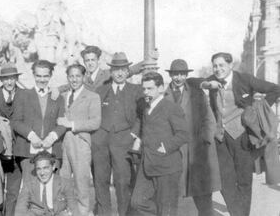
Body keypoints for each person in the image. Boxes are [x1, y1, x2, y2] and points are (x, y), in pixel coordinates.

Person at [200, 52, 280, 216]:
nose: (218, 69)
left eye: (222, 65)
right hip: (220, 137)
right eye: (215, 65)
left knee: (243, 180)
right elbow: (196, 83)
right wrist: (207, 85)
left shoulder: (244, 79)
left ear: (231, 65)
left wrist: (258, 110)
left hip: (242, 136)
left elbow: (275, 89)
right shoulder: (213, 81)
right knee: (224, 180)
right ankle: (237, 211)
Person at [164, 59, 220, 216]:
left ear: (186, 75)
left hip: (197, 150)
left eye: (182, 74)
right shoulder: (164, 94)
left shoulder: (197, 92)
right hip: (174, 150)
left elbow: (209, 119)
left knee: (202, 193)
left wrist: (206, 140)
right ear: (171, 75)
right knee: (172, 194)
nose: (179, 78)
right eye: (175, 74)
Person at [129, 72, 190, 216]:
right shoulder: (145, 107)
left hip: (167, 166)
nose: (145, 92)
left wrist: (166, 147)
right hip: (147, 164)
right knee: (136, 202)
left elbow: (184, 134)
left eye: (150, 89)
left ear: (161, 88)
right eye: (144, 89)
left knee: (167, 209)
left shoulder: (171, 108)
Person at [92, 52, 143, 216]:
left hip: (124, 143)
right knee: (100, 181)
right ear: (111, 72)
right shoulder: (100, 91)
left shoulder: (136, 90)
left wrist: (133, 135)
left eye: (123, 69)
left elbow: (142, 116)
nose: (120, 73)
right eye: (116, 70)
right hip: (101, 144)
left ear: (128, 71)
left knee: (123, 183)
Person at [11, 59, 67, 190]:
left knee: (51, 190)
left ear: (50, 76)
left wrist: (51, 137)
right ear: (34, 75)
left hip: (51, 150)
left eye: (45, 76)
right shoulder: (22, 95)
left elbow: (62, 123)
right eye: (38, 76)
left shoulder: (57, 97)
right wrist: (31, 136)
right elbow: (16, 121)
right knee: (31, 190)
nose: (42, 80)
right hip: (28, 151)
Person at [57, 64, 101, 216]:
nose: (74, 79)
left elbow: (95, 122)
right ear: (67, 77)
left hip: (80, 142)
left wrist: (73, 125)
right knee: (63, 180)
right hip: (63, 143)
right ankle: (67, 211)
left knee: (81, 183)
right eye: (71, 76)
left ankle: (83, 212)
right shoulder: (63, 95)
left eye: (77, 76)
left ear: (83, 77)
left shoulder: (92, 96)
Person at [0, 62, 24, 216]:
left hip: (17, 150)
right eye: (6, 79)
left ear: (16, 79)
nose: (9, 82)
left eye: (12, 78)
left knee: (13, 192)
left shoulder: (24, 95)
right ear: (1, 80)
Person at [14, 151, 77, 216]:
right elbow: (20, 209)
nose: (42, 173)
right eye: (39, 169)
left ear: (53, 167)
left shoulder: (65, 183)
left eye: (45, 168)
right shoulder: (28, 185)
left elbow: (74, 208)